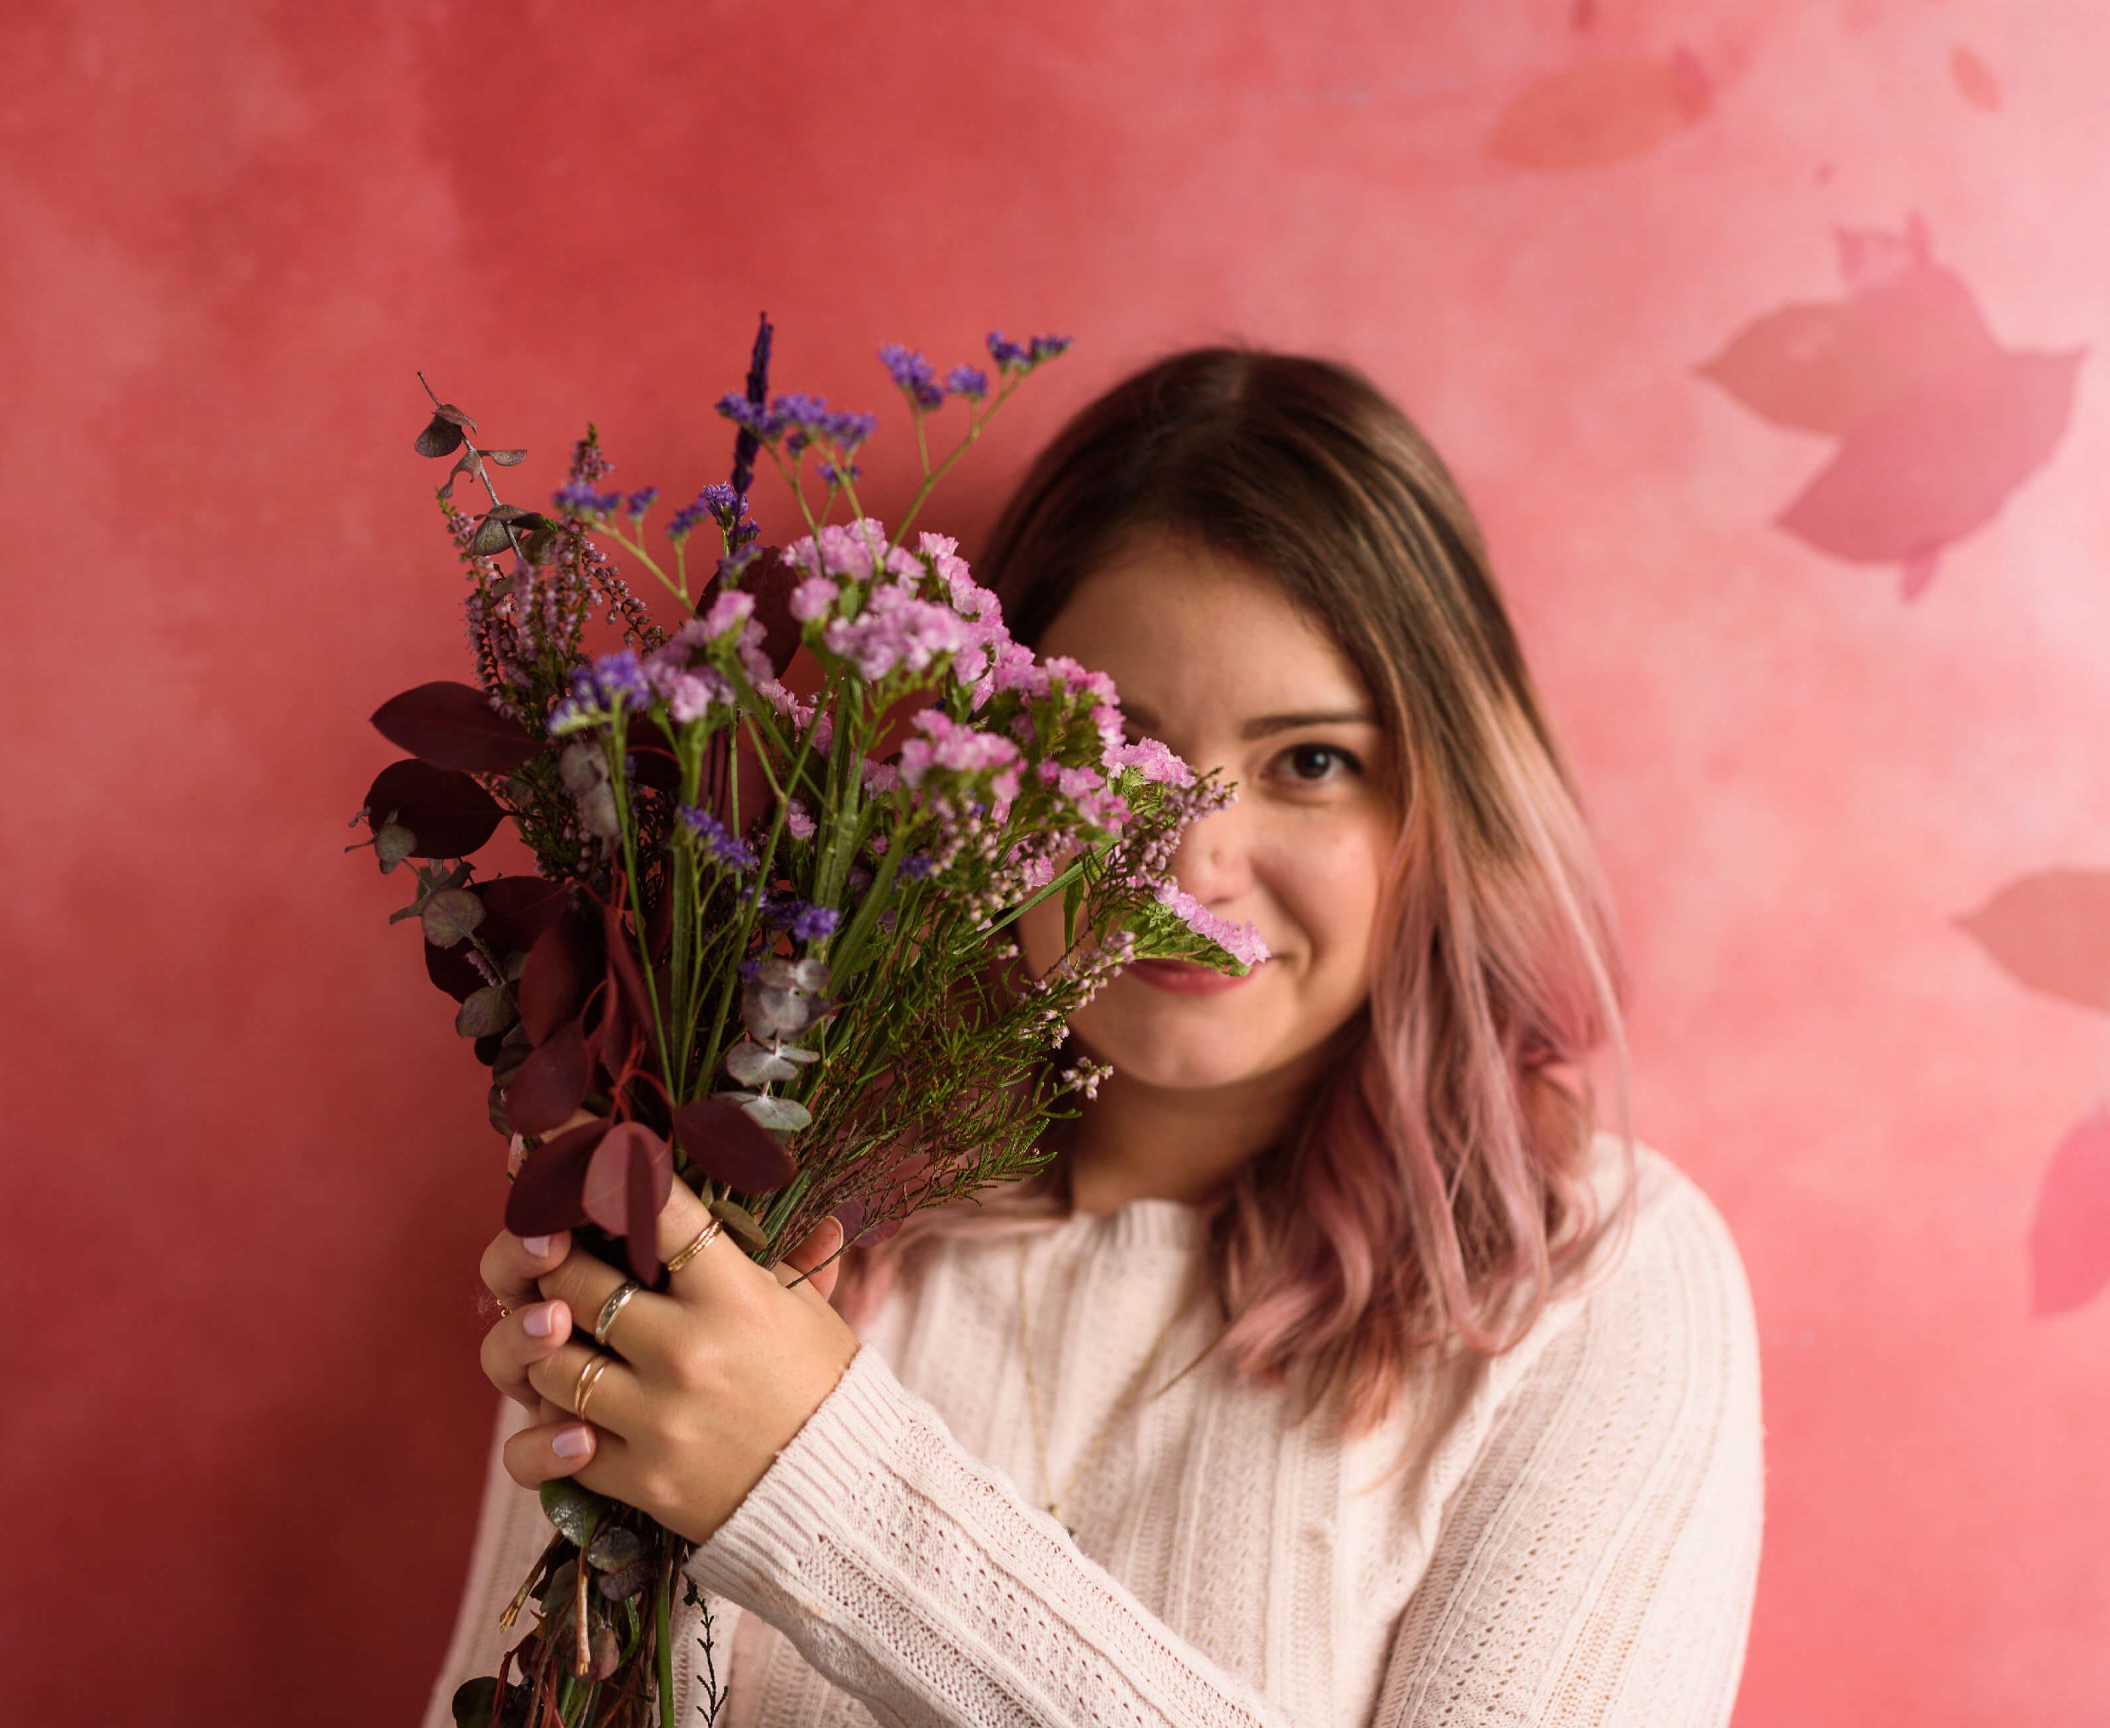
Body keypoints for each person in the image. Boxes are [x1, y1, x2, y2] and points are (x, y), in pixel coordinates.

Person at [422, 347, 1765, 1727]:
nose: (1195, 861)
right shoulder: (737, 1216)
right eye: (1112, 742)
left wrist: (822, 1481)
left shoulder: (1592, 1271)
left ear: (1443, 801)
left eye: (1312, 762)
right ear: (967, 766)